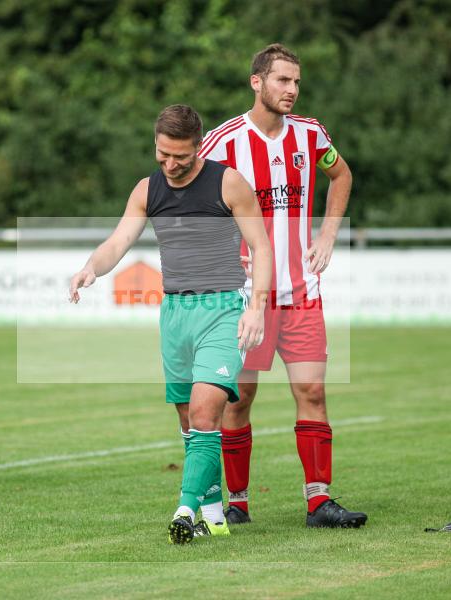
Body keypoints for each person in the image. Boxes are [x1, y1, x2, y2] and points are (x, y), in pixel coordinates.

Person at [69, 104, 272, 543]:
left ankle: (185, 510)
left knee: (204, 410)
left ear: (198, 146)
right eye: (163, 155)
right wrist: (91, 267)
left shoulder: (228, 182)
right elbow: (119, 240)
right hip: (175, 314)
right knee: (190, 421)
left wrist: (256, 306)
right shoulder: (148, 189)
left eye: (179, 156)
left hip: (223, 311)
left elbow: (262, 246)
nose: (171, 164)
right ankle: (216, 517)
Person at [199, 43, 367, 528]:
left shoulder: (311, 135)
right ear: (257, 82)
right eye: (282, 81)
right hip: (246, 298)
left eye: (296, 82)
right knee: (240, 397)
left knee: (312, 390)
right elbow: (192, 189)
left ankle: (319, 501)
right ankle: (238, 502)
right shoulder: (223, 141)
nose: (292, 90)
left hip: (301, 292)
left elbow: (341, 174)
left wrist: (330, 232)